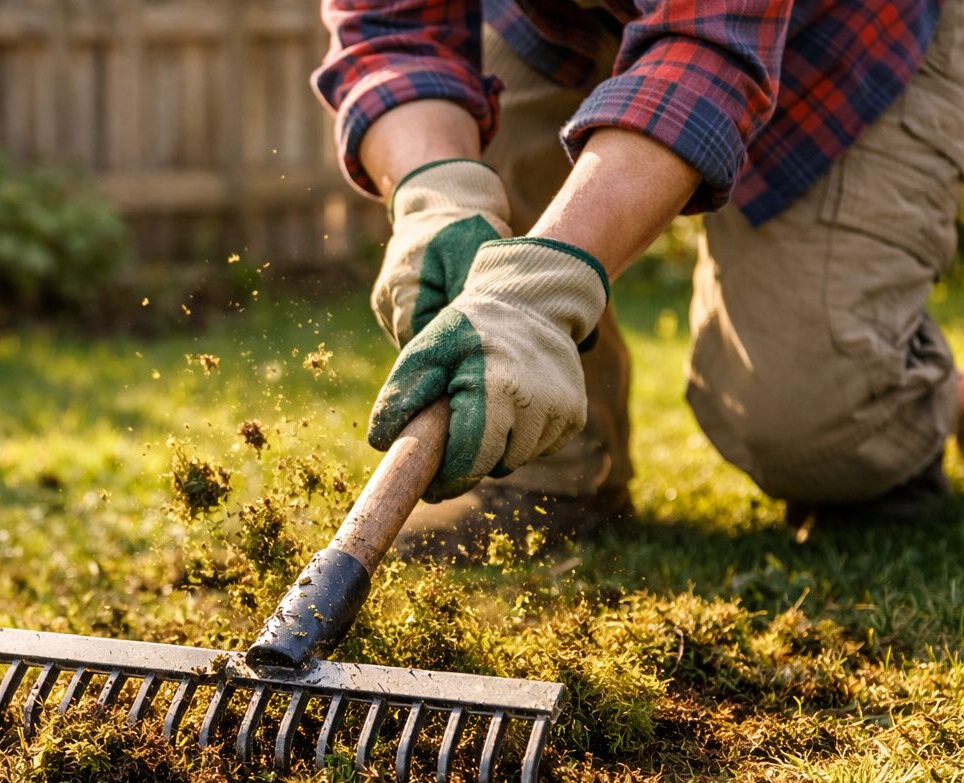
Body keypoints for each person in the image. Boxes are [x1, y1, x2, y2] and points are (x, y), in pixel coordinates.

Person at [314, 0, 964, 553]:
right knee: (490, 192)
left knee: (809, 429)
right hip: (558, 25)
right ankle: (552, 475)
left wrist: (539, 295)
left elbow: (705, 48)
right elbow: (391, 24)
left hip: (838, 36)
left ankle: (906, 404)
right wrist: (438, 195)